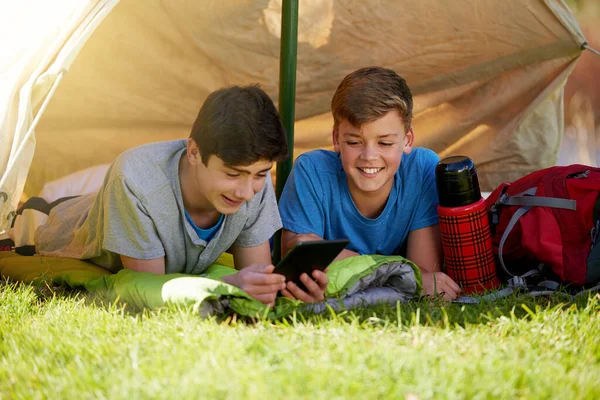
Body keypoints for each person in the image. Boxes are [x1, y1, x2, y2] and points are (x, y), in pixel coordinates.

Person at [33, 85, 327, 306]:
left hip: (118, 202)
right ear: (195, 152)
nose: (246, 191)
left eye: (261, 175)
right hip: (64, 222)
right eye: (233, 174)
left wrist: (286, 289)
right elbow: (149, 290)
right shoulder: (136, 180)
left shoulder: (252, 186)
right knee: (42, 209)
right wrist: (222, 285)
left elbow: (255, 277)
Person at [279, 67, 461, 301]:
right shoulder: (311, 169)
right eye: (354, 141)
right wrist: (400, 272)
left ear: (408, 140)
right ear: (336, 139)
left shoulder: (422, 168)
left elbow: (424, 272)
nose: (369, 156)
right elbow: (298, 257)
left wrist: (338, 258)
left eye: (385, 143)